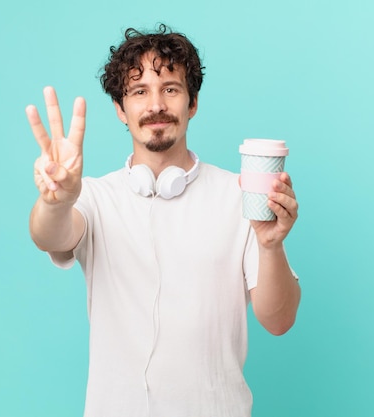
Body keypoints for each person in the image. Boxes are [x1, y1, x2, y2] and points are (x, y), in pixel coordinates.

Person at [26, 24, 301, 417]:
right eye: (139, 92)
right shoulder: (93, 197)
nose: (156, 104)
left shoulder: (240, 198)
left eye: (170, 88)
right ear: (121, 109)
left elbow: (279, 320)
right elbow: (49, 235)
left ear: (192, 103)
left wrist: (270, 245)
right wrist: (55, 201)